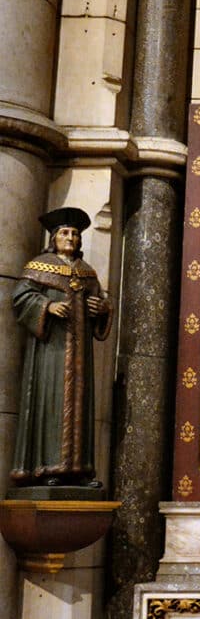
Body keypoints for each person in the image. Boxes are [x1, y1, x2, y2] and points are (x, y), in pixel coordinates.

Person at [10, 207, 112, 487]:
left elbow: (101, 307)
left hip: (81, 356)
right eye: (65, 233)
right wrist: (46, 305)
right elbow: (21, 298)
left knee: (80, 406)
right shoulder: (39, 266)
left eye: (76, 234)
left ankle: (79, 470)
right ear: (54, 238)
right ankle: (48, 467)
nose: (71, 238)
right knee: (52, 402)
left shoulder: (86, 273)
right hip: (51, 354)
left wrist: (102, 308)